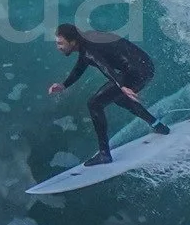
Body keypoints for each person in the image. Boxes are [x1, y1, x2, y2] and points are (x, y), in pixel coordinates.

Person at [47, 23, 167, 165]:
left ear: (72, 42)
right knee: (118, 98)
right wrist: (64, 85)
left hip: (136, 72)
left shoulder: (88, 50)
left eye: (61, 43)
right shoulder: (88, 39)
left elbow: (104, 66)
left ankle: (104, 154)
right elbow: (82, 63)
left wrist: (121, 86)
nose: (58, 47)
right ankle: (158, 125)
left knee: (94, 104)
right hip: (145, 66)